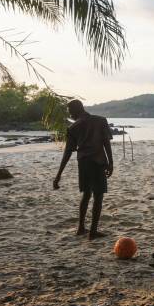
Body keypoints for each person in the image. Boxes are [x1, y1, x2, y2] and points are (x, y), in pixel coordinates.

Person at [53, 100, 113, 240]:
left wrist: (58, 175)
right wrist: (111, 163)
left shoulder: (74, 127)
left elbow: (67, 153)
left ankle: (81, 228)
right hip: (98, 162)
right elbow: (106, 143)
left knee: (86, 194)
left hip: (84, 163)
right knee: (98, 196)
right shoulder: (100, 121)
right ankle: (93, 231)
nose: (70, 115)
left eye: (70, 112)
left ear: (75, 110)